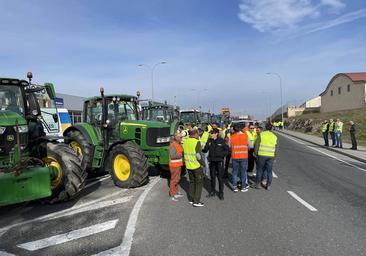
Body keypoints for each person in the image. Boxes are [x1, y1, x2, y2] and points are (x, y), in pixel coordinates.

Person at [203, 128, 229, 200]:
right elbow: (205, 150)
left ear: (216, 133)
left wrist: (221, 154)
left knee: (220, 178)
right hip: (212, 161)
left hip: (219, 161)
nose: (210, 134)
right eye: (210, 133)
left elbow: (228, 150)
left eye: (212, 133)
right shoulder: (209, 140)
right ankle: (212, 191)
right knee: (212, 177)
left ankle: (221, 193)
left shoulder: (221, 140)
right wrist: (203, 147)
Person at [182, 129, 205, 207]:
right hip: (196, 166)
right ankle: (196, 201)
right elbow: (198, 155)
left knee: (192, 182)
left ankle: (191, 199)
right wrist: (203, 163)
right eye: (198, 134)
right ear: (195, 134)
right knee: (199, 183)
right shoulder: (196, 142)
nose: (198, 136)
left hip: (188, 165)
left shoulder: (185, 142)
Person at [253, 123, 278, 190]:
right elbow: (276, 148)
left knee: (259, 170)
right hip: (271, 156)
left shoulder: (261, 134)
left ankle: (257, 184)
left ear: (265, 128)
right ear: (272, 128)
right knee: (269, 171)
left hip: (261, 155)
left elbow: (256, 145)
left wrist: (255, 153)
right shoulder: (274, 136)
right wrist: (275, 156)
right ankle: (268, 185)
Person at [230, 125, 249, 192]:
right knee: (243, 172)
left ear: (234, 130)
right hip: (244, 156)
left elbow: (229, 146)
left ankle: (235, 187)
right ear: (241, 129)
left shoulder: (232, 137)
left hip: (235, 157)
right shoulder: (245, 136)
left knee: (234, 172)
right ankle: (243, 187)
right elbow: (250, 146)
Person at [168, 133, 184, 201]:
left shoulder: (177, 144)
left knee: (177, 179)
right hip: (174, 165)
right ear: (176, 138)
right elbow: (172, 155)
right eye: (180, 137)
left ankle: (176, 192)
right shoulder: (173, 145)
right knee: (174, 180)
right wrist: (181, 155)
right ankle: (172, 195)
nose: (181, 138)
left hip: (178, 165)